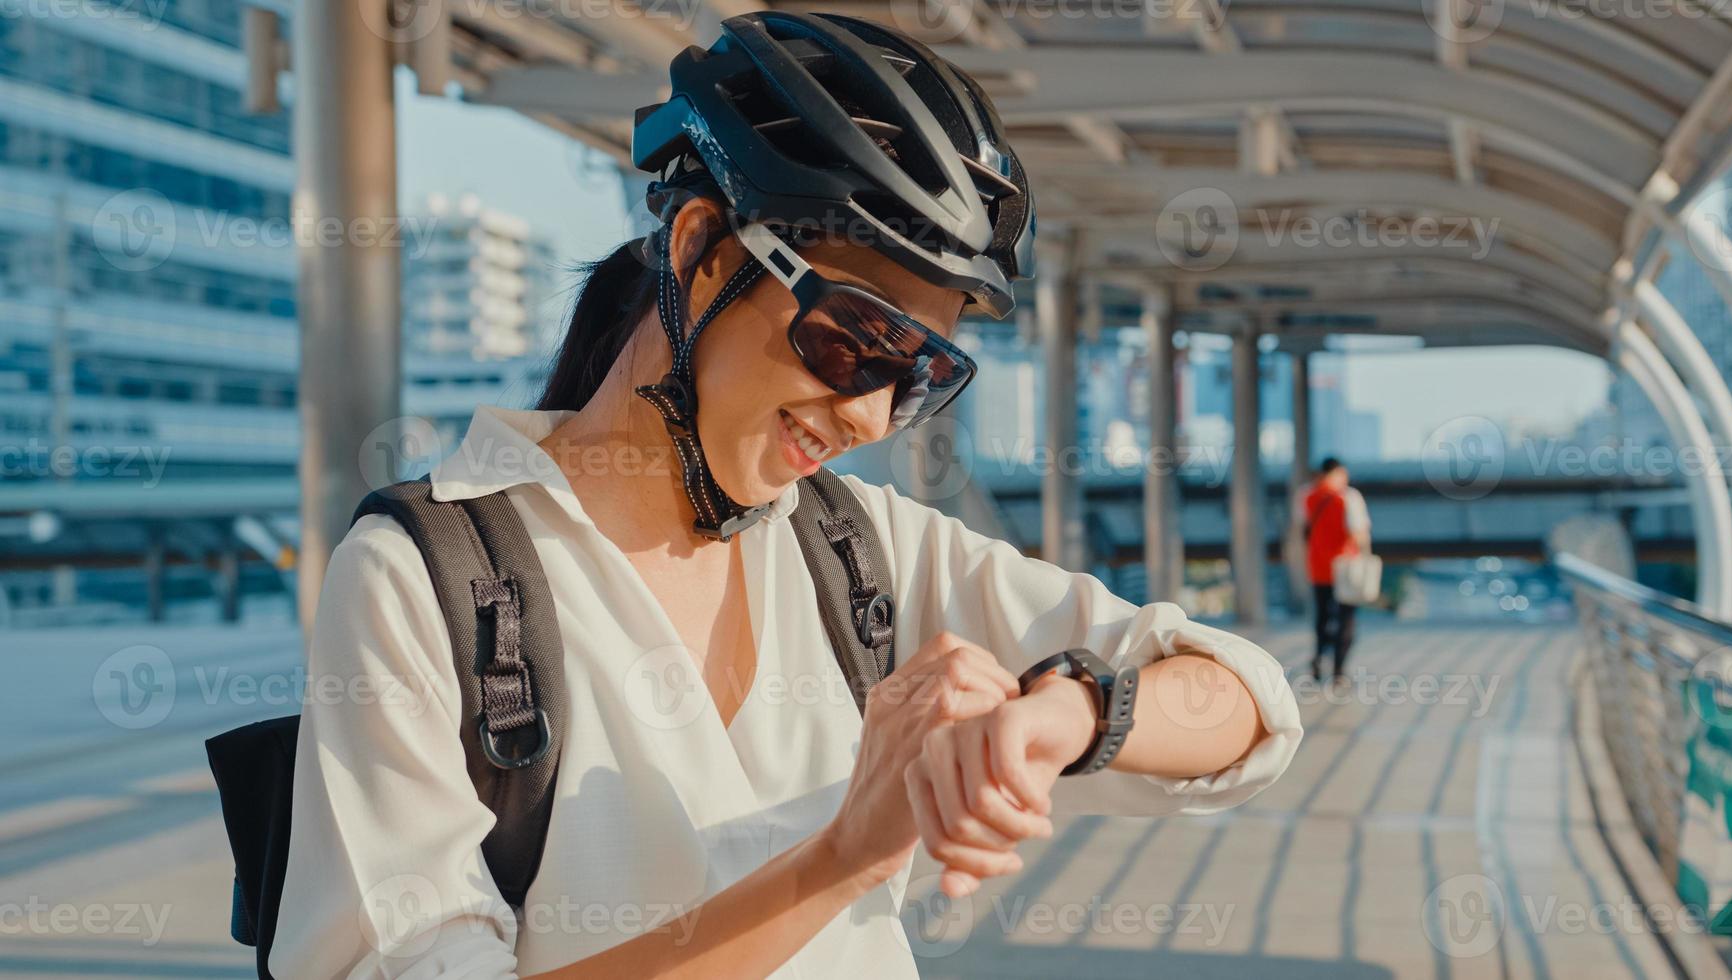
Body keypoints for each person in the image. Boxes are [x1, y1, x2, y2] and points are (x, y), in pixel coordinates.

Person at [271, 12, 1302, 978]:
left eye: (922, 375)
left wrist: (1063, 712)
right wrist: (847, 852)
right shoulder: (433, 582)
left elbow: (1248, 706)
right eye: (855, 337)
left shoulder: (856, 552)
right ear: (700, 251)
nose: (868, 414)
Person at [1301, 457, 1372, 688]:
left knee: (1322, 616)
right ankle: (1339, 671)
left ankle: (1319, 659)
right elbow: (1359, 532)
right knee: (1346, 620)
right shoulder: (1349, 497)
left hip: (1319, 567)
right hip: (1345, 568)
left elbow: (1303, 528)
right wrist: (1365, 556)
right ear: (1337, 473)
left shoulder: (1307, 496)